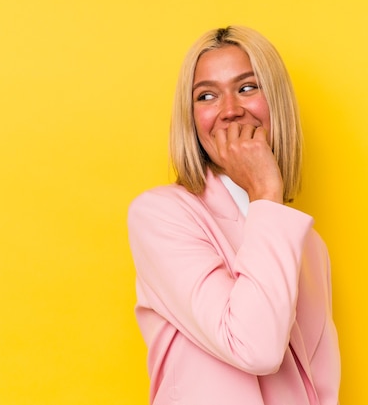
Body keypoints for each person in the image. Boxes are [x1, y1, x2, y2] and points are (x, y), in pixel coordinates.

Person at [127, 26, 340, 405]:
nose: (230, 111)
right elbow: (254, 346)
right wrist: (265, 193)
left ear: (276, 103)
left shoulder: (309, 246)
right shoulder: (160, 215)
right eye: (207, 95)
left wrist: (265, 201)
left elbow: (320, 387)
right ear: (192, 120)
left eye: (247, 88)